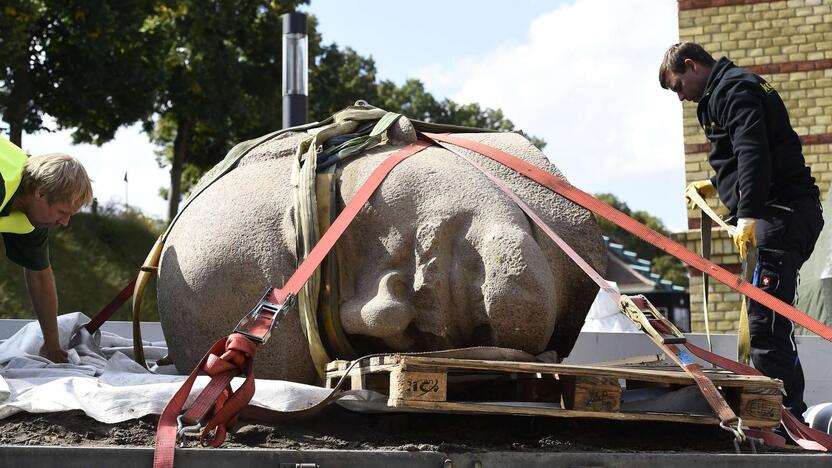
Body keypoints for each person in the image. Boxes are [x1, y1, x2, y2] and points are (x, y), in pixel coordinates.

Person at [659, 42, 824, 423]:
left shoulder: (733, 90)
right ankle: (781, 415)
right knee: (764, 327)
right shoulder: (727, 90)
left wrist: (747, 215)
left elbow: (753, 152)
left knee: (766, 329)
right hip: (780, 212)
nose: (680, 97)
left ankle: (785, 420)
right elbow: (742, 154)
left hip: (779, 214)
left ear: (691, 65)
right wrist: (715, 185)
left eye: (678, 86)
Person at [0, 136, 93, 363]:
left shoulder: (33, 215)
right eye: (62, 212)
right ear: (40, 194)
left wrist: (51, 343)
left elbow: (40, 277)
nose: (65, 222)